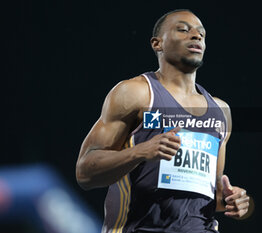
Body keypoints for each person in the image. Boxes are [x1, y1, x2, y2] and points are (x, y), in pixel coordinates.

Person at [76, 9, 250, 233]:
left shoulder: (220, 111)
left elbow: (212, 194)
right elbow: (85, 172)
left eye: (201, 34)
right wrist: (140, 152)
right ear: (157, 43)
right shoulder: (136, 94)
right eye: (183, 30)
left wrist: (230, 199)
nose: (196, 36)